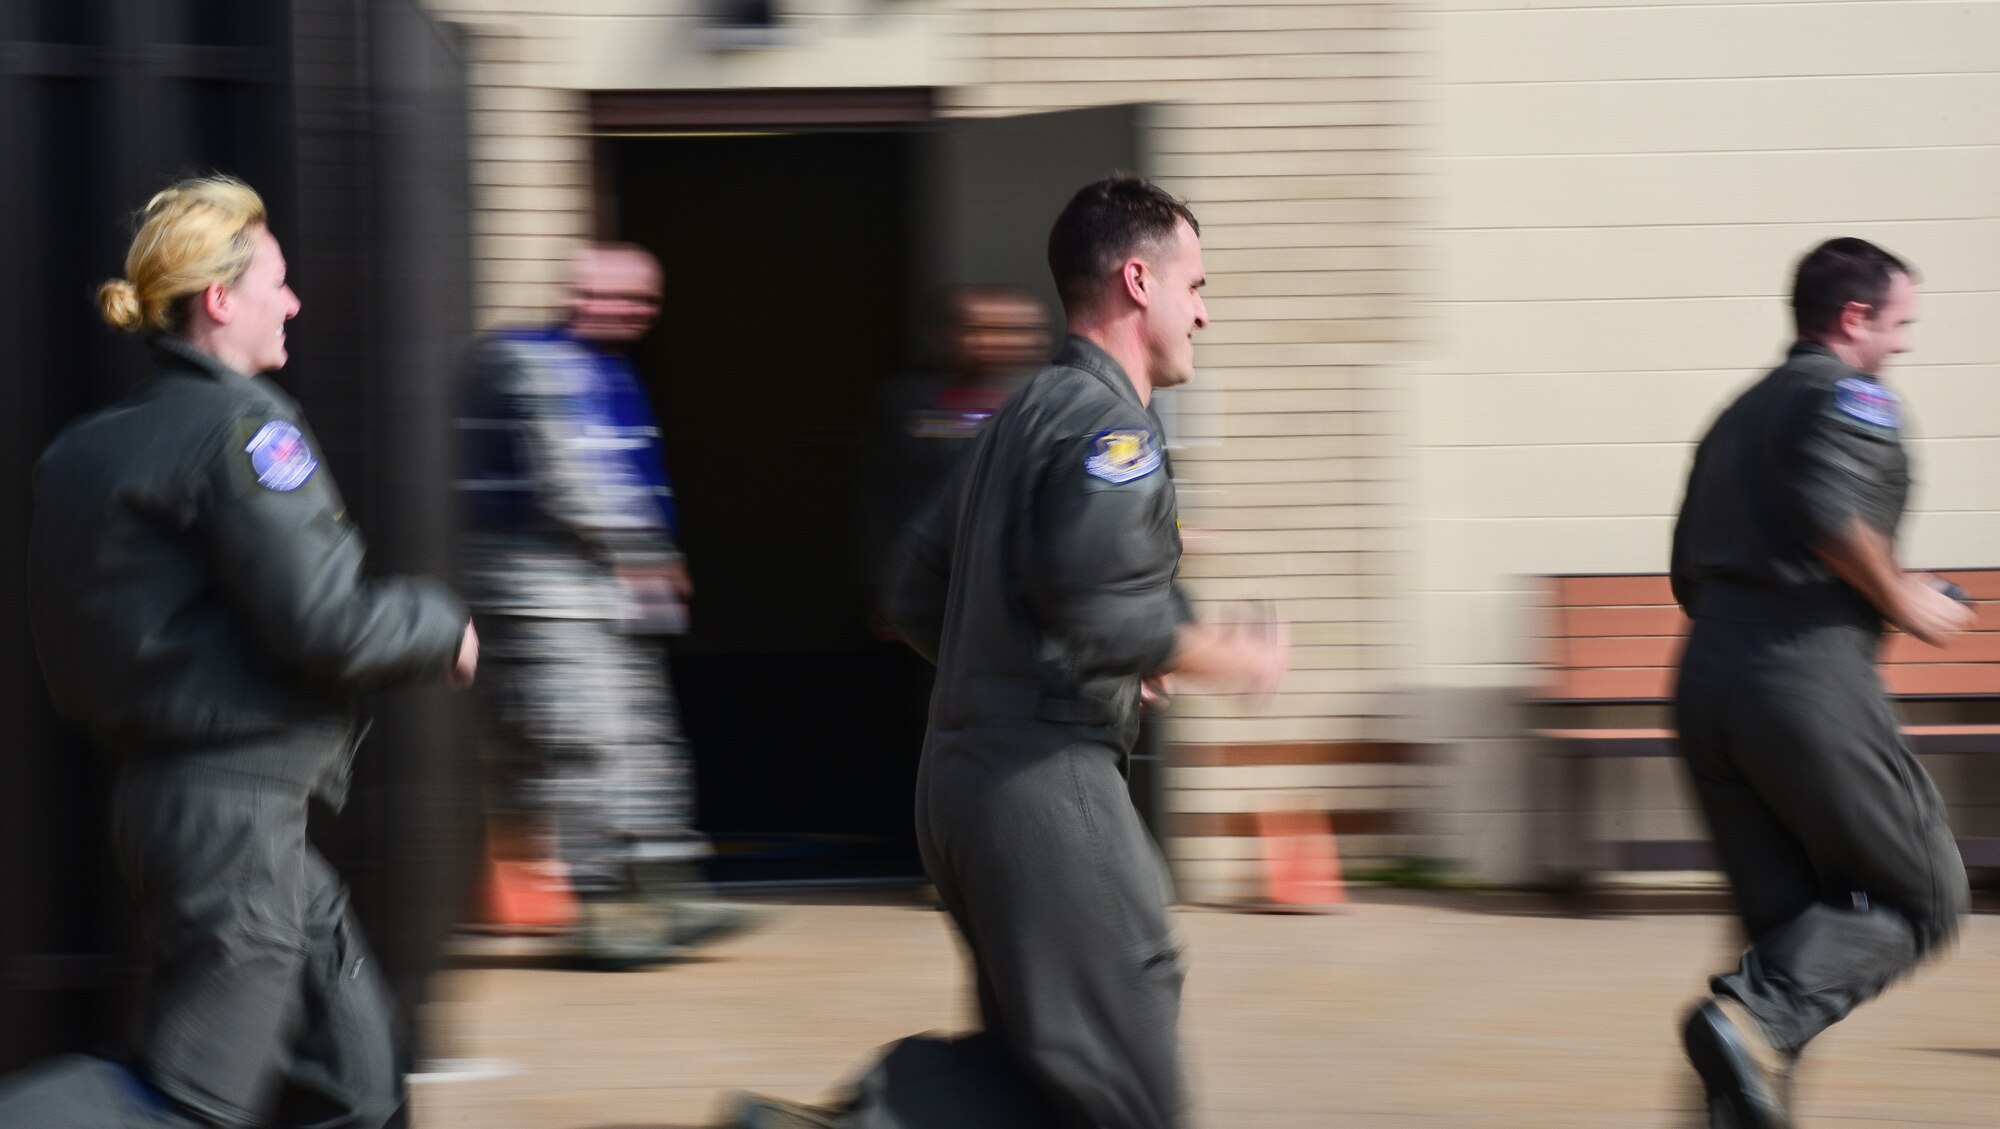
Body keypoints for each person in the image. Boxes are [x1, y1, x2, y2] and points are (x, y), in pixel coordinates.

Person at [732, 175, 1289, 1129]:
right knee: (1130, 1100)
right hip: (1052, 790)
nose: (1204, 312)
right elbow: (1097, 613)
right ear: (1138, 279)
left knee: (1049, 1078)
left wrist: (1015, 662)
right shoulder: (1117, 431)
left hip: (961, 788)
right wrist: (1217, 652)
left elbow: (910, 585)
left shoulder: (1017, 418)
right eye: (1197, 285)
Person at [0, 175, 476, 1129]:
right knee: (192, 1102)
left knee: (359, 1079)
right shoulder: (246, 431)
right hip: (235, 818)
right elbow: (324, 622)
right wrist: (440, 625)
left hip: (194, 806)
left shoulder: (89, 448)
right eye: (278, 283)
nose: (292, 302)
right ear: (220, 299)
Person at [1669, 237, 1972, 1129]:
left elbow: (1688, 568)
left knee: (1786, 944)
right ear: (1853, 318)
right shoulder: (1851, 395)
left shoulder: (1738, 413)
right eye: (1900, 323)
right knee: (1921, 892)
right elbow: (1829, 511)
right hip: (1802, 675)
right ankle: (1749, 1017)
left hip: (1707, 678)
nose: (1905, 343)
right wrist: (1904, 598)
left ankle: (1743, 1053)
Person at [458, 242, 756, 969]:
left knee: (641, 743)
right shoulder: (526, 358)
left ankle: (668, 892)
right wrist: (640, 548)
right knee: (579, 744)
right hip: (541, 586)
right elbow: (569, 477)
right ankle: (601, 914)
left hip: (600, 585)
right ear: (577, 291)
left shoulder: (610, 368)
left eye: (642, 302)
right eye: (614, 296)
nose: (629, 313)